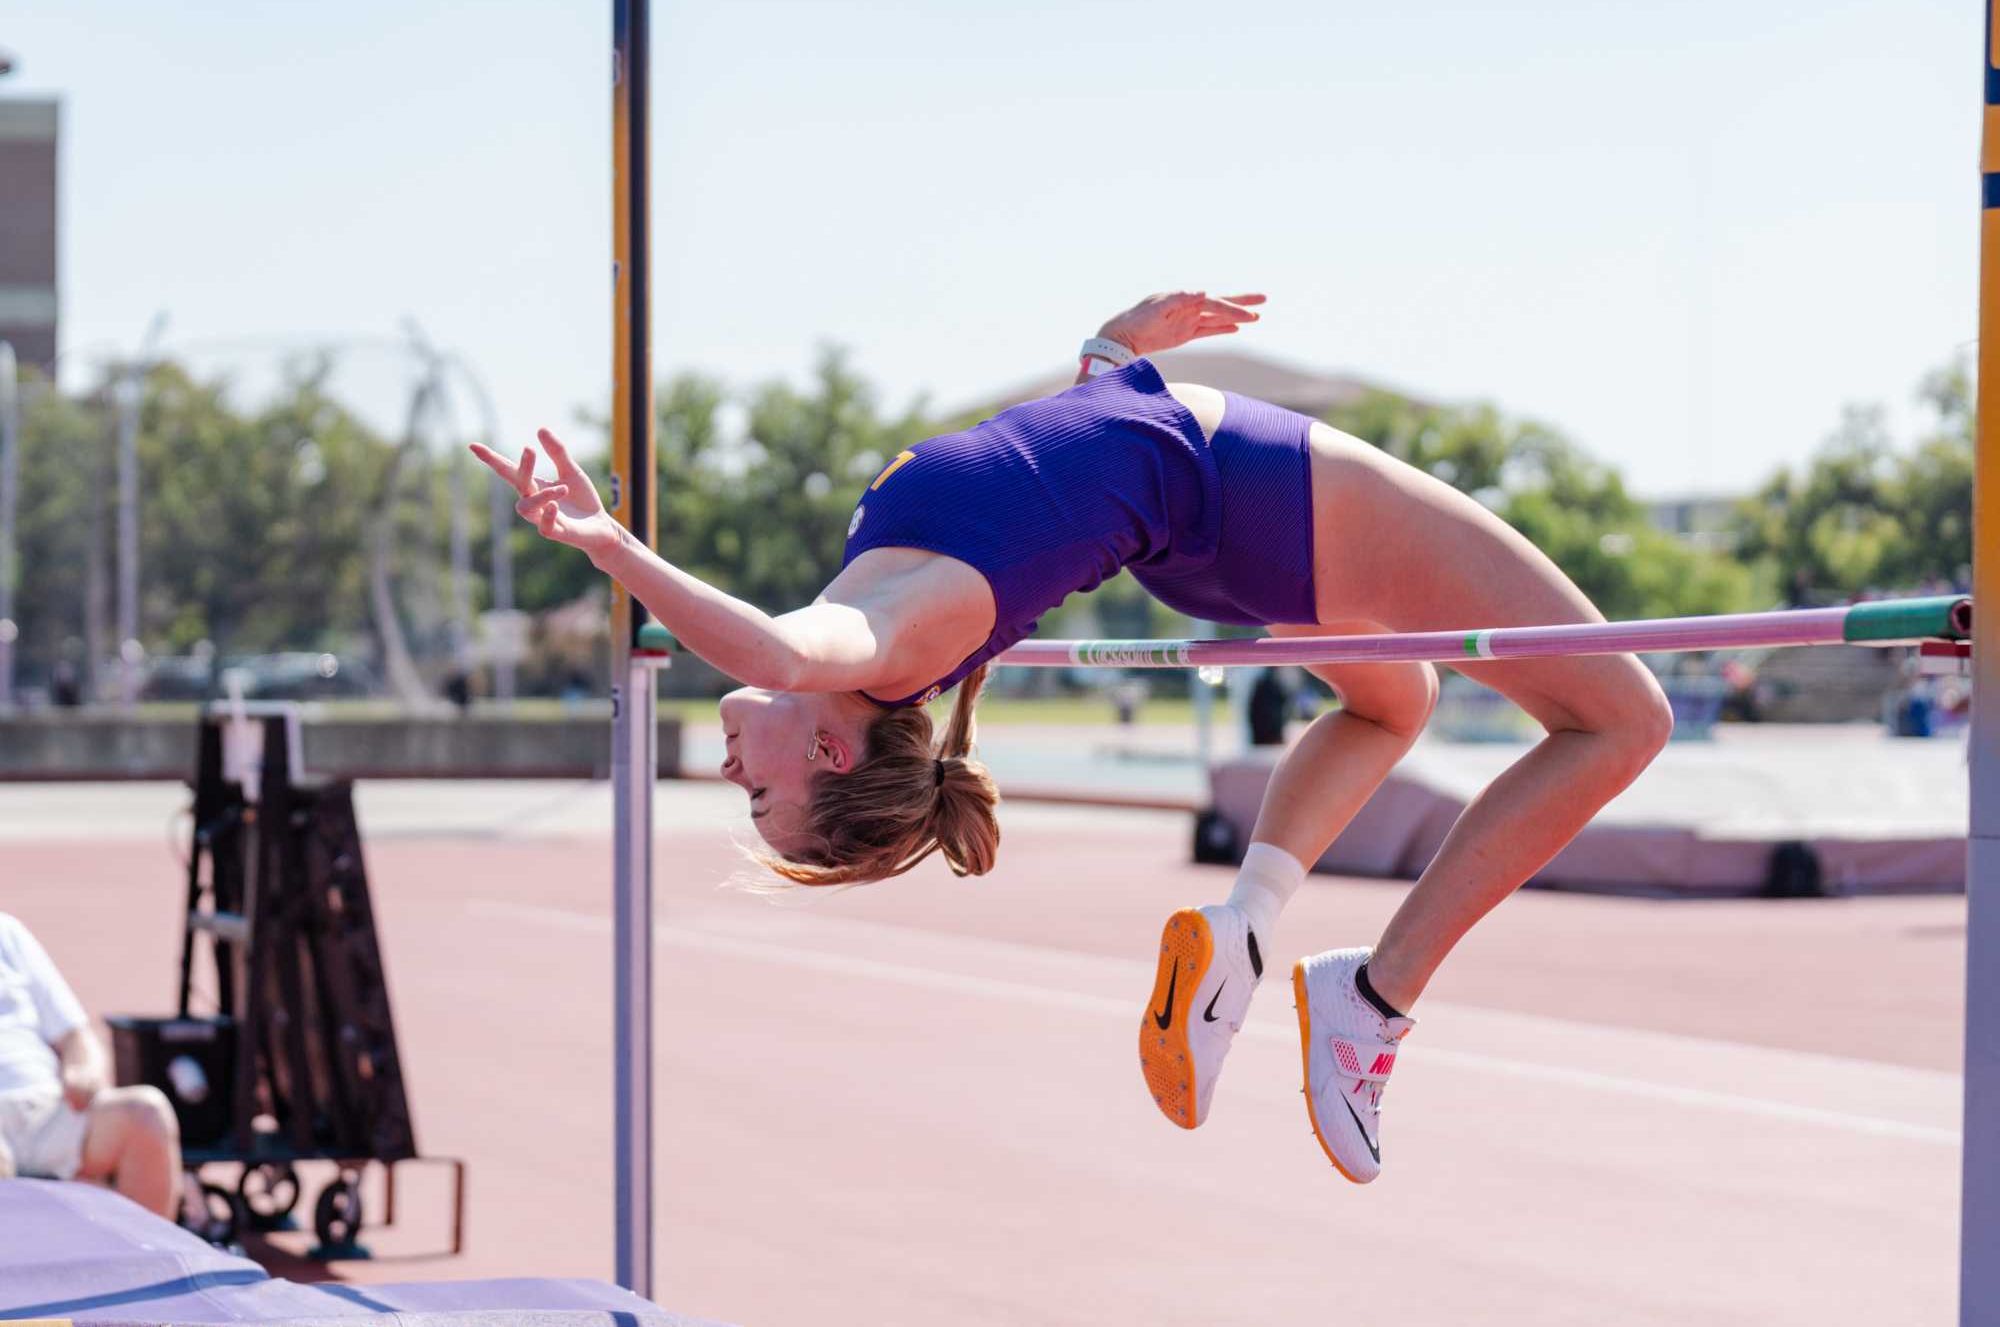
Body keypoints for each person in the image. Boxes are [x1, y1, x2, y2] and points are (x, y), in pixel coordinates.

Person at [475, 290, 1672, 1183]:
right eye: (756, 794)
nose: (731, 768)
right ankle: (1377, 995)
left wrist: (1109, 356)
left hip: (1211, 532)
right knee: (1622, 719)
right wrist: (611, 548)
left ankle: (1248, 930)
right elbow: (779, 657)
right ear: (831, 753)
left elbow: (1046, 473)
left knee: (1390, 705)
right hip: (1255, 494)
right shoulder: (874, 642)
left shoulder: (867, 606)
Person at [0, 913, 182, 1217]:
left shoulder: (7, 932)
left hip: (48, 1109)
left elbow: (75, 1033)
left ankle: (149, 1261)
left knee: (147, 1113)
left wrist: (85, 1068)